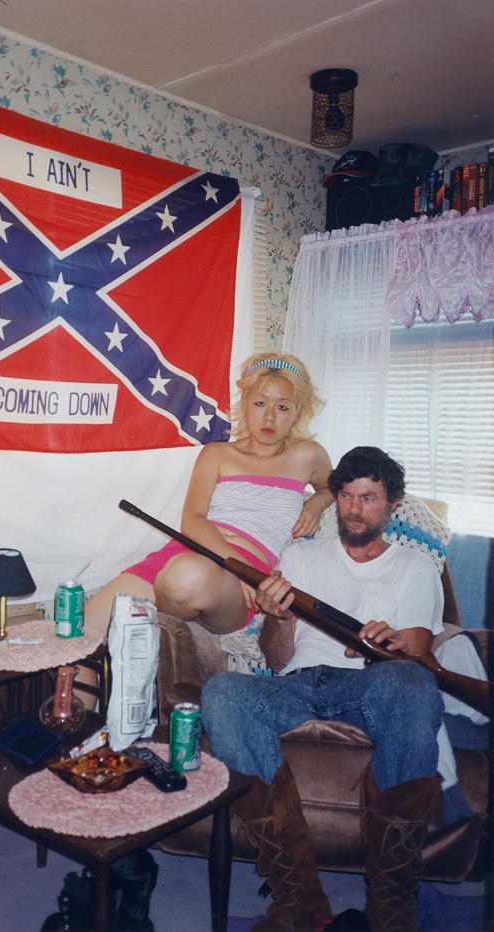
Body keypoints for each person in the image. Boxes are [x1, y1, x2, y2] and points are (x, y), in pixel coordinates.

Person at [201, 447, 446, 932]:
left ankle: (392, 902)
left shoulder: (416, 567)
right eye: (347, 496)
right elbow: (276, 659)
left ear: (392, 504)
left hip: (372, 688)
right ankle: (299, 898)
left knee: (411, 681)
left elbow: (416, 649)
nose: (354, 509)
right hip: (299, 686)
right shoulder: (299, 556)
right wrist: (281, 616)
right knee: (223, 692)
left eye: (369, 498)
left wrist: (387, 646)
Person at [84, 352, 333, 640]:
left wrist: (317, 503)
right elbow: (192, 520)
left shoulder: (309, 455)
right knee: (74, 639)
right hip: (188, 555)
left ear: (298, 412)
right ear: (244, 403)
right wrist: (243, 570)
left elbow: (335, 488)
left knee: (185, 578)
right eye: (260, 403)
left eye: (283, 407)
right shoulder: (216, 453)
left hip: (230, 582)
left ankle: (151, 628)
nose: (269, 416)